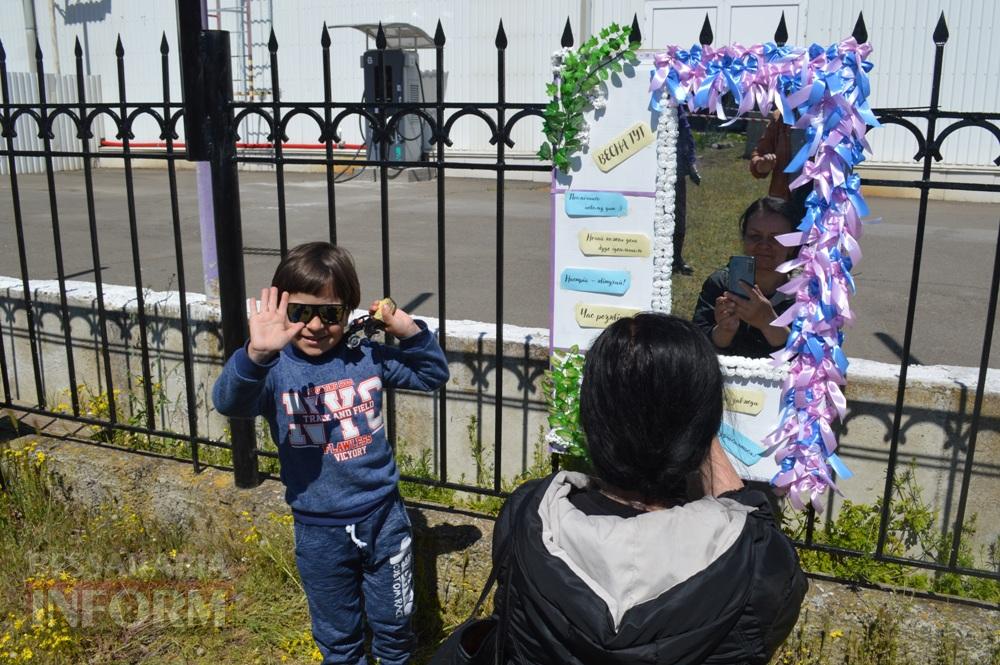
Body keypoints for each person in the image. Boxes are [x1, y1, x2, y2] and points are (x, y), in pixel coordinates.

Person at [481, 314, 806, 664]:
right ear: (702, 427)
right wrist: (698, 426)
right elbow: (762, 546)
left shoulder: (529, 515)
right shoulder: (754, 557)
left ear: (591, 415)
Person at [212, 242, 449, 665]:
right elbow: (230, 402)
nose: (316, 325)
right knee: (338, 636)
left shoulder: (365, 355)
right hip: (318, 529)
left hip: (383, 517)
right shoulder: (274, 369)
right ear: (283, 311)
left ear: (350, 312)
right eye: (302, 312)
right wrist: (256, 355)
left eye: (331, 313)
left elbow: (432, 374)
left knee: (395, 624)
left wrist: (407, 331)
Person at [692, 196, 798, 358]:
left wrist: (768, 322)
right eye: (755, 236)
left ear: (792, 245)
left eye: (775, 238)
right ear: (744, 239)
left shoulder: (805, 293)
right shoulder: (721, 285)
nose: (764, 245)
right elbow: (695, 349)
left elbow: (811, 362)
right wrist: (724, 330)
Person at [673, 105, 701, 275]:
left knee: (678, 218)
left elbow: (685, 131)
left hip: (674, 167)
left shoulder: (673, 98)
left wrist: (690, 163)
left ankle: (676, 259)